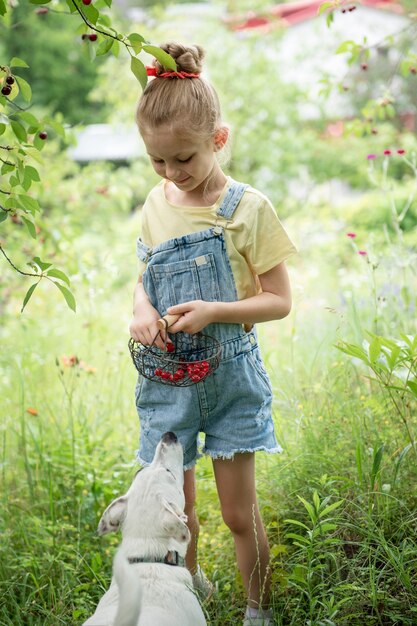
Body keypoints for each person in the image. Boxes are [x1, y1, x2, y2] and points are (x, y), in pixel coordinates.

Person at [129, 42, 297, 626]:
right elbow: (144, 275)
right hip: (169, 379)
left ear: (218, 140)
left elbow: (279, 301)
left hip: (229, 381)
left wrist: (214, 311)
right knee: (180, 508)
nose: (172, 174)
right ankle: (189, 587)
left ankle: (258, 609)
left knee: (236, 512)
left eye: (184, 159)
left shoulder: (248, 209)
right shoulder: (156, 202)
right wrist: (140, 311)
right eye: (159, 162)